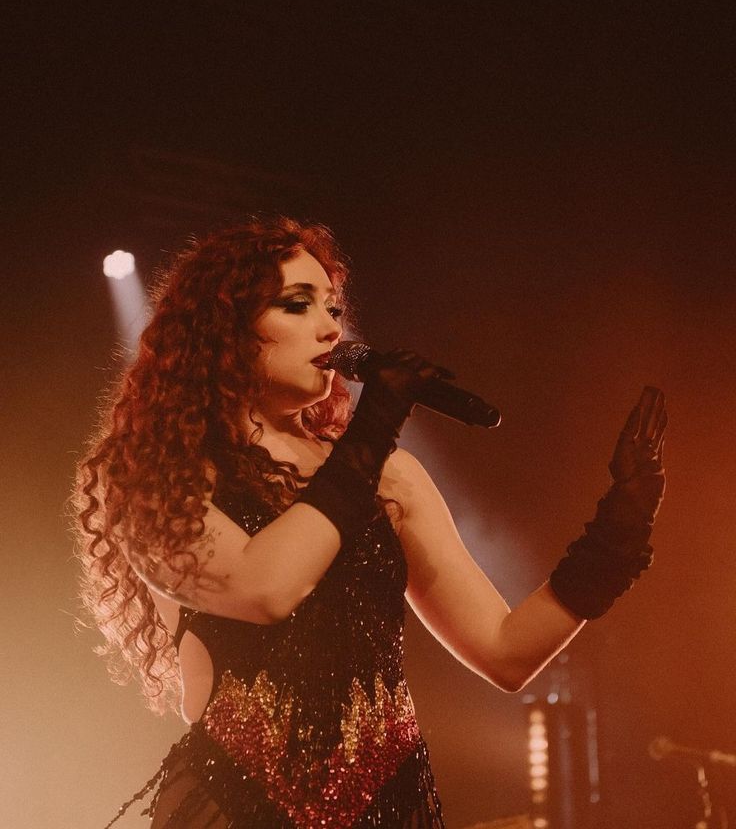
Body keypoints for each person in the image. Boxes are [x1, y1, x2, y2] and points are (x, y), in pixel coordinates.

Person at [73, 215, 667, 828]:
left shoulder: (391, 477)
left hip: (389, 804)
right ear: (224, 329)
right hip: (240, 802)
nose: (332, 325)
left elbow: (506, 653)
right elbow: (267, 587)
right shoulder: (150, 469)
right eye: (297, 305)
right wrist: (374, 424)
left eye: (332, 306)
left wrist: (618, 529)